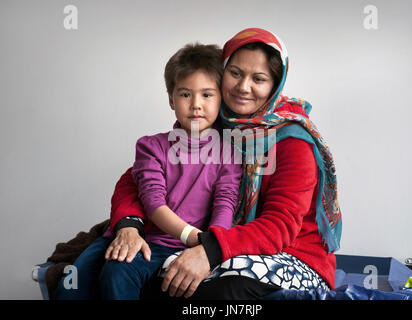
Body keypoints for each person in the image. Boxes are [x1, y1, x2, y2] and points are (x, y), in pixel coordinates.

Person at [109, 27, 343, 300]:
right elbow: (137, 177)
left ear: (274, 85)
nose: (244, 87)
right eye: (235, 73)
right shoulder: (212, 121)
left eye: (259, 78)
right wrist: (128, 224)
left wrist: (209, 250)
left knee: (217, 293)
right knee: (142, 277)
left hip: (294, 256)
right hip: (217, 241)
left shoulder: (293, 141)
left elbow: (279, 227)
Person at [52, 43, 242, 300]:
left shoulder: (229, 153)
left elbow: (225, 201)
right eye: (185, 94)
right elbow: (153, 202)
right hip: (150, 240)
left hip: (194, 246)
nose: (196, 104)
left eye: (207, 95)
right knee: (94, 280)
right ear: (171, 99)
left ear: (222, 98)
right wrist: (193, 237)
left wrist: (211, 245)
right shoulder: (151, 147)